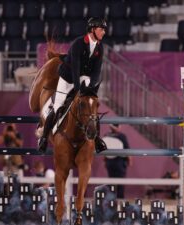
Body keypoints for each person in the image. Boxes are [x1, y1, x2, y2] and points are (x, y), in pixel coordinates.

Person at [38, 17, 108, 153]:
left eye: (104, 30)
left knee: (91, 104)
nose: (104, 32)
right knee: (58, 105)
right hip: (68, 77)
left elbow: (96, 71)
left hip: (84, 77)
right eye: (101, 29)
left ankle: (97, 139)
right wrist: (78, 89)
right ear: (93, 30)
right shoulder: (78, 43)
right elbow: (75, 69)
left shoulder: (100, 47)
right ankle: (44, 138)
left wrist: (91, 88)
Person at [103, 124, 130, 198]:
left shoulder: (106, 136)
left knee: (111, 181)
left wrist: (105, 161)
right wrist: (130, 161)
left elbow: (104, 150)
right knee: (120, 182)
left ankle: (112, 199)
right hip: (119, 161)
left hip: (109, 162)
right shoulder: (121, 136)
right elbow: (127, 150)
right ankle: (119, 198)